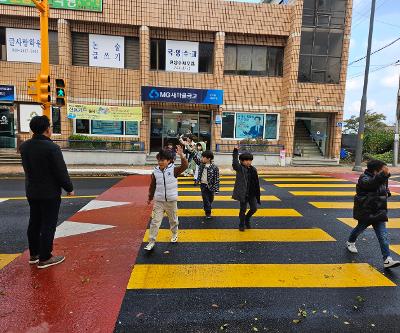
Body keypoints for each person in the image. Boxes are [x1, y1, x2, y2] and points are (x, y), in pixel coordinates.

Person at [19, 116, 74, 269]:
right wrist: (69, 188)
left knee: (34, 222)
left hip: (32, 191)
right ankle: (45, 257)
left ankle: (34, 254)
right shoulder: (52, 148)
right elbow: (60, 171)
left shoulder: (24, 147)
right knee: (48, 224)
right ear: (47, 129)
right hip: (49, 193)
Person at [347, 160, 400, 268]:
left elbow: (383, 186)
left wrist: (387, 191)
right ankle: (350, 241)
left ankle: (387, 259)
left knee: (383, 236)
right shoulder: (364, 178)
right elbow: (370, 185)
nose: (385, 172)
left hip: (379, 212)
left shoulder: (381, 178)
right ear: (376, 171)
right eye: (382, 170)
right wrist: (383, 176)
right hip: (366, 212)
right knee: (359, 229)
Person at [146, 146, 188, 251]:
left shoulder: (174, 170)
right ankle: (151, 242)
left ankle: (174, 234)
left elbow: (185, 166)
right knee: (155, 222)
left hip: (171, 201)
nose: (160, 162)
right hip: (159, 201)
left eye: (162, 160)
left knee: (173, 220)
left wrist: (182, 155)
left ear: (168, 161)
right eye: (159, 160)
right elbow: (153, 186)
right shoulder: (155, 172)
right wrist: (150, 197)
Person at [232, 148, 261, 231]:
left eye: (250, 160)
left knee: (254, 209)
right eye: (245, 160)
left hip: (252, 194)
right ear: (241, 161)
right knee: (243, 210)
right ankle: (241, 223)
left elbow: (256, 182)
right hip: (243, 193)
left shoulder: (253, 169)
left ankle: (247, 219)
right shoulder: (240, 169)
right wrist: (235, 153)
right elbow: (235, 164)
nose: (248, 162)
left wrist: (257, 193)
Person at [191, 149, 220, 219]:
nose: (202, 158)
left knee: (211, 199)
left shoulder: (215, 167)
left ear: (208, 159)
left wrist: (216, 189)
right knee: (205, 199)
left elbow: (216, 178)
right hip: (203, 185)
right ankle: (208, 213)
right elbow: (195, 158)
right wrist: (192, 150)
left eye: (203, 157)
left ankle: (207, 206)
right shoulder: (201, 164)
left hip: (211, 185)